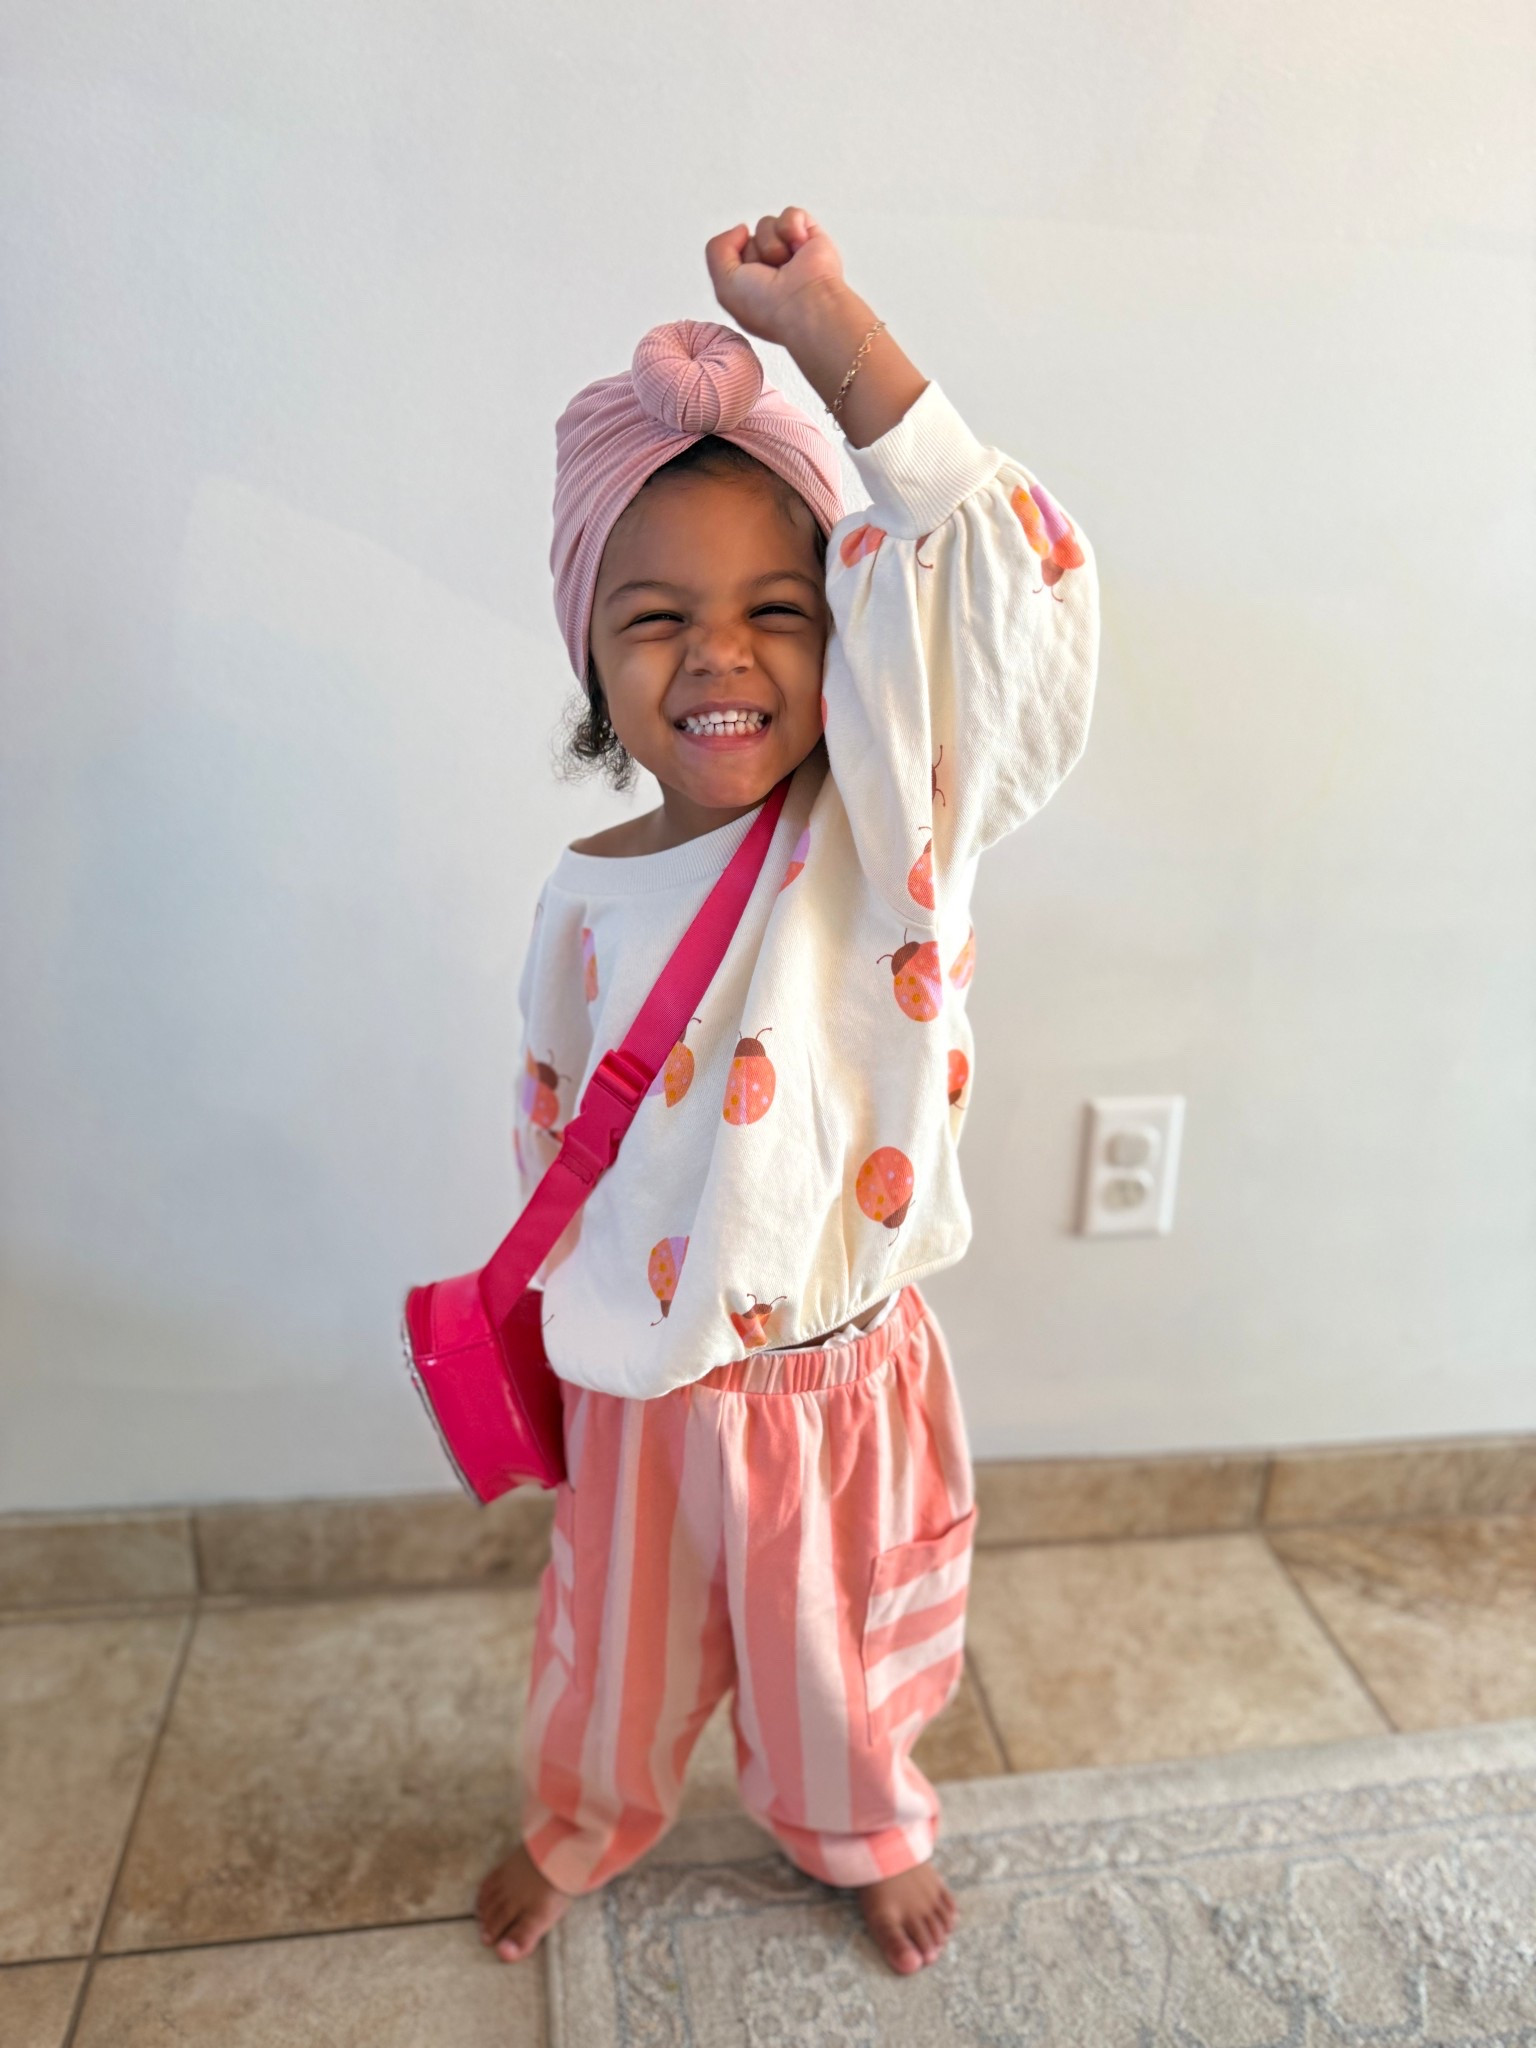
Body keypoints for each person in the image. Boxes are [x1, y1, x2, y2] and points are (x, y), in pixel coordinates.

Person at [476, 205, 1099, 1976]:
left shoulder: (896, 832)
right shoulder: (583, 898)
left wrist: (828, 329)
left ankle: (860, 1826)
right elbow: (556, 1132)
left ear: (854, 642)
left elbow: (998, 583)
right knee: (612, 1656)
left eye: (779, 610)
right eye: (657, 618)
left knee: (845, 1663)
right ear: (592, 659)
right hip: (651, 1388)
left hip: (837, 1377)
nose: (722, 655)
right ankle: (583, 1821)